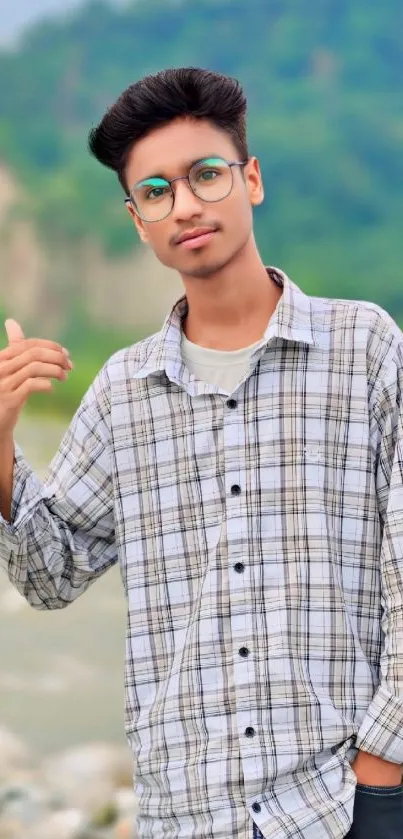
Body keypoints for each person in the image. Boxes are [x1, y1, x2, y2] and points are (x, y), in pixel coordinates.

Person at [0, 67, 402, 839]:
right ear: (135, 219)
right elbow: (49, 575)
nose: (183, 204)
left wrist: (381, 765)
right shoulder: (123, 389)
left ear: (249, 179)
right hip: (186, 813)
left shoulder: (365, 348)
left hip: (342, 801)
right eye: (155, 191)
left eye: (204, 175)